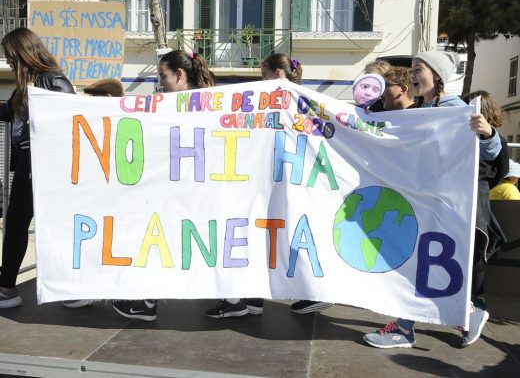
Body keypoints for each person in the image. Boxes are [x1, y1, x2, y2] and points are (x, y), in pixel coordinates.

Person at [363, 51, 504, 349]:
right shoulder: (421, 110)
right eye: (411, 70)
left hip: (451, 207)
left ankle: (459, 314)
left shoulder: (455, 109)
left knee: (426, 265)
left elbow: (491, 154)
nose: (412, 74)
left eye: (418, 69)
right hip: (428, 203)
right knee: (418, 263)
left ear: (437, 76)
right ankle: (419, 324)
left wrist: (488, 132)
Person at [205, 53, 333, 319]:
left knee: (281, 234)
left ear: (276, 74)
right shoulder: (304, 100)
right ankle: (257, 296)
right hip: (283, 178)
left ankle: (313, 291)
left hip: (281, 180)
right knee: (278, 233)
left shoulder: (283, 100)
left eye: (263, 75)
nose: (261, 80)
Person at [112, 50, 214, 321]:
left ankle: (146, 301)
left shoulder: (178, 107)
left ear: (180, 74)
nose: (160, 83)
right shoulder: (208, 103)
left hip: (180, 193)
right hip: (187, 192)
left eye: (162, 76)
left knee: (157, 240)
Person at [0, 27, 75, 308]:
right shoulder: (28, 86)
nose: (7, 60)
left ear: (22, 54)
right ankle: (72, 291)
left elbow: (71, 121)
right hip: (36, 164)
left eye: (10, 55)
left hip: (41, 164)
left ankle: (7, 288)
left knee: (19, 223)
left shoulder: (51, 81)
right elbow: (6, 112)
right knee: (36, 224)